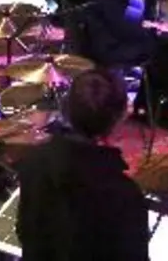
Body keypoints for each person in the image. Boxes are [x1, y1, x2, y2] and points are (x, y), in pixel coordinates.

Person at [15, 68, 150, 261]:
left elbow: (24, 231)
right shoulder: (124, 193)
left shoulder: (34, 160)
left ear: (66, 109)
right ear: (121, 116)